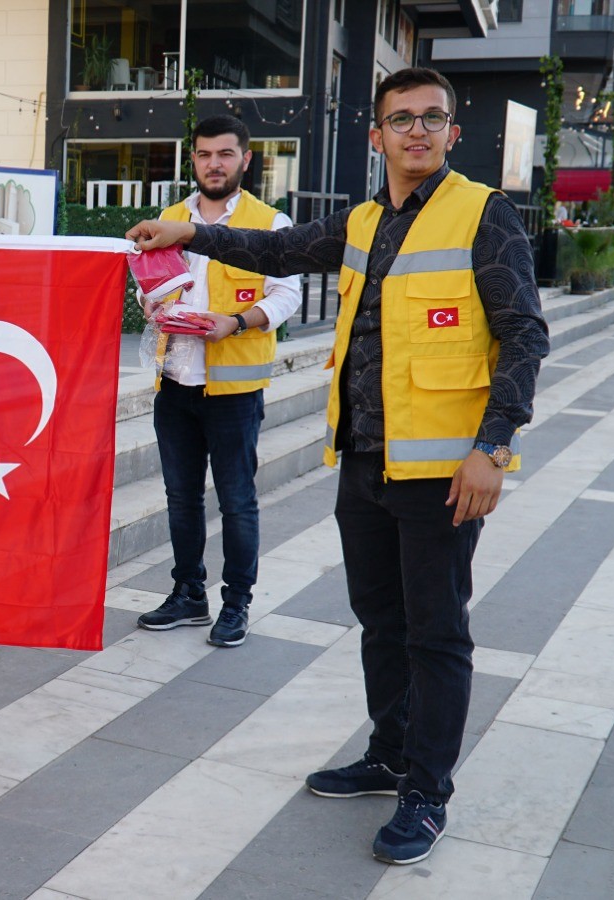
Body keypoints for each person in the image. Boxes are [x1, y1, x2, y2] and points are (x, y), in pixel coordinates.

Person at [128, 67, 549, 865]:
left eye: (432, 119)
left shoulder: (481, 214)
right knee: (380, 622)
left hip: (441, 471)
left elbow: (524, 333)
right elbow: (277, 245)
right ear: (377, 135)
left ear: (452, 133)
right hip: (363, 461)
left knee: (436, 633)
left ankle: (427, 791)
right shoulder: (360, 221)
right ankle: (390, 754)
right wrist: (191, 234)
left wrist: (492, 447)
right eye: (402, 119)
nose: (417, 131)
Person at [134, 115, 299, 648]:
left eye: (225, 154)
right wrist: (153, 304)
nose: (214, 163)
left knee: (236, 500)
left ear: (245, 160)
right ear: (194, 160)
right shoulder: (169, 217)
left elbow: (286, 295)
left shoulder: (269, 223)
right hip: (175, 381)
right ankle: (189, 595)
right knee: (180, 498)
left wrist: (236, 322)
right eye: (204, 154)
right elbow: (149, 286)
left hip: (234, 389)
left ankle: (236, 603)